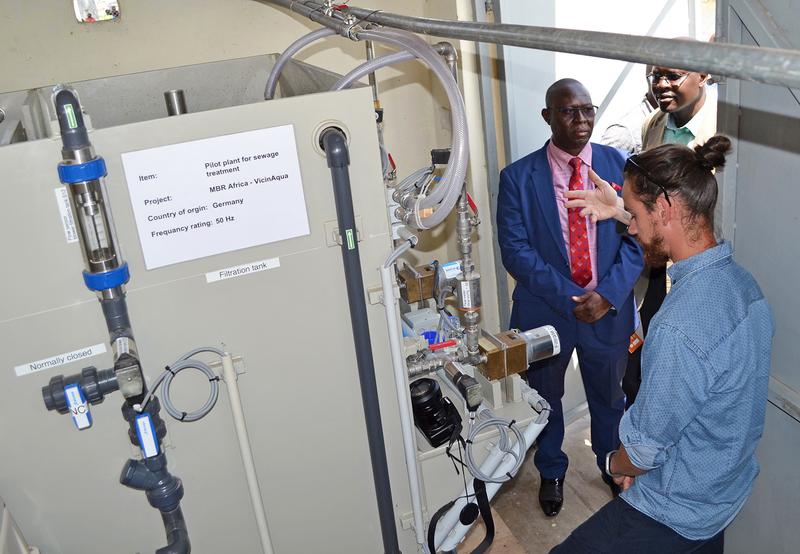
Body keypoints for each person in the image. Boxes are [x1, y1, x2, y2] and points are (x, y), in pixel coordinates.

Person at [554, 135, 773, 553]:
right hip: (719, 498)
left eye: (634, 214)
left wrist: (613, 462)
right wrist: (620, 209)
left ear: (667, 208)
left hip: (670, 511)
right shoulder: (745, 289)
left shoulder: (680, 324)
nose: (630, 227)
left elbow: (642, 450)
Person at [497, 78, 643, 517]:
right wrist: (577, 297)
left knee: (609, 396)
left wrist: (608, 295)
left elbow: (639, 238)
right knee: (545, 397)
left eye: (587, 110)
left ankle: (609, 463)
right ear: (548, 116)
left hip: (609, 310)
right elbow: (516, 251)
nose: (580, 120)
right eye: (568, 111)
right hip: (546, 311)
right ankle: (551, 470)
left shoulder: (622, 167)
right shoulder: (518, 177)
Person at [623, 59, 718, 408]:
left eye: (672, 76)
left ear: (703, 75)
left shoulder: (725, 126)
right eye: (655, 76)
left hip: (696, 266)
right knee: (640, 370)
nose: (661, 84)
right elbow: (650, 206)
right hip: (659, 267)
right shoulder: (654, 124)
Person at [600, 66, 657, 154]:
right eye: (657, 76)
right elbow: (603, 166)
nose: (665, 83)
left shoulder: (674, 123)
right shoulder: (624, 131)